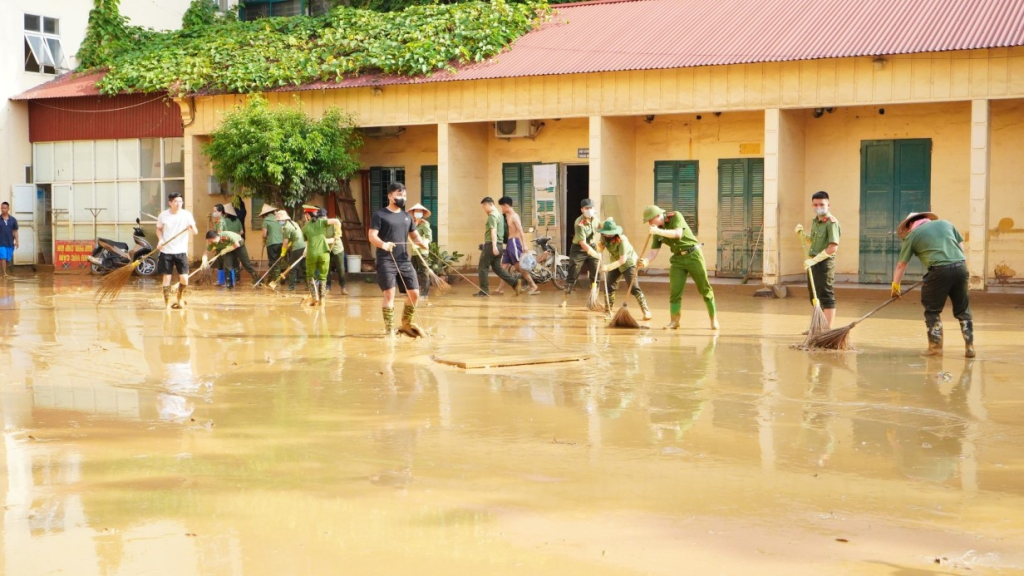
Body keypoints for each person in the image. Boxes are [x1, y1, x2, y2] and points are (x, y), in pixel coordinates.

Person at [891, 212, 974, 358]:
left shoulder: (912, 236)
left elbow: (901, 265)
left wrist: (895, 287)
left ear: (910, 225)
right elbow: (961, 248)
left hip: (939, 272)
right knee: (963, 310)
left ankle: (935, 349)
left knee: (932, 311)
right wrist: (956, 267)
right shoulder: (946, 224)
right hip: (961, 268)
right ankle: (970, 347)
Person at [641, 205, 718, 330]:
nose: (649, 223)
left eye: (650, 220)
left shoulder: (675, 216)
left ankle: (713, 319)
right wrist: (645, 261)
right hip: (677, 259)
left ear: (658, 216)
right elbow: (653, 252)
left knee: (704, 288)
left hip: (693, 255)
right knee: (675, 291)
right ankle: (674, 321)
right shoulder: (656, 231)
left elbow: (678, 234)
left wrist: (658, 232)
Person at [368, 182, 430, 336]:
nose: (402, 197)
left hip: (404, 260)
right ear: (390, 196)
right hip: (386, 260)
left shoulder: (407, 217)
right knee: (389, 294)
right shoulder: (379, 215)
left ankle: (406, 324)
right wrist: (383, 244)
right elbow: (372, 236)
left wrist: (422, 243)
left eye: (404, 195)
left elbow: (415, 236)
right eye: (399, 194)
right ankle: (389, 330)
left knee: (414, 293)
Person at [796, 191, 841, 328]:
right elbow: (814, 240)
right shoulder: (816, 221)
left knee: (826, 295)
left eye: (822, 204)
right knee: (814, 296)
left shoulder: (831, 223)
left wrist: (815, 260)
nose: (818, 207)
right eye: (815, 205)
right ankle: (817, 326)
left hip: (825, 263)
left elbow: (833, 247)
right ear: (812, 205)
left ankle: (827, 330)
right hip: (813, 262)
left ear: (828, 205)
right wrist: (803, 235)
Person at [597, 218, 651, 320]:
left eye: (610, 234)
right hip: (615, 261)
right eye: (606, 234)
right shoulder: (603, 237)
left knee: (634, 287)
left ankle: (646, 310)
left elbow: (623, 260)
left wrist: (608, 267)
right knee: (609, 286)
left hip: (628, 262)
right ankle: (608, 311)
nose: (608, 236)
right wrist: (599, 248)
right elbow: (601, 248)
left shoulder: (622, 240)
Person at [155, 192, 198, 309]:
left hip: (181, 251)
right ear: (170, 203)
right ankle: (167, 303)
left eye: (180, 201)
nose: (178, 204)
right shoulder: (163, 215)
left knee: (184, 278)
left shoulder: (187, 215)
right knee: (167, 278)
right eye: (175, 201)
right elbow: (158, 229)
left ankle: (180, 297)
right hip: (166, 251)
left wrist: (191, 228)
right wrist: (160, 240)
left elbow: (195, 231)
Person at [475, 197, 522, 297]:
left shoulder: (492, 216)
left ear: (488, 204)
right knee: (497, 268)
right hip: (499, 245)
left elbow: (493, 231)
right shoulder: (500, 215)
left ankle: (484, 290)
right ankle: (514, 282)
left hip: (492, 245)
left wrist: (493, 246)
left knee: (483, 267)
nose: (483, 209)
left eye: (484, 206)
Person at [301, 206, 343, 306]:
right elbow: (337, 221)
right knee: (323, 277)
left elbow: (307, 243)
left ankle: (314, 297)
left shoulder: (305, 228)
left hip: (312, 253)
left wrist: (305, 251)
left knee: (310, 275)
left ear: (307, 215)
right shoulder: (322, 222)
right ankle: (322, 299)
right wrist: (338, 234)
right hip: (324, 253)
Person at [561, 198, 600, 306]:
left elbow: (601, 228)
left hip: (592, 245)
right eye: (586, 208)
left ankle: (594, 299)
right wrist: (594, 253)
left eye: (591, 208)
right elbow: (582, 243)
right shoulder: (579, 223)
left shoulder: (595, 219)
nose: (589, 210)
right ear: (582, 210)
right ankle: (565, 298)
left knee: (596, 272)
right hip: (579, 248)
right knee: (573, 272)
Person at [498, 197, 540, 295]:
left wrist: (524, 245)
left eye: (502, 207)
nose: (501, 209)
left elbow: (521, 231)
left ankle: (533, 285)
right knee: (503, 267)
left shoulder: (514, 216)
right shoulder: (508, 216)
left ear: (506, 206)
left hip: (514, 243)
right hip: (509, 243)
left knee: (519, 267)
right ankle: (500, 289)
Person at [407, 203, 433, 301]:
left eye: (420, 211)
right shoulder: (412, 224)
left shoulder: (424, 224)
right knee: (411, 270)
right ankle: (413, 291)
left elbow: (429, 237)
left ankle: (424, 293)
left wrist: (422, 243)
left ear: (423, 213)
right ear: (413, 213)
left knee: (424, 272)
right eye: (416, 211)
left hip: (422, 252)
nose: (418, 213)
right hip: (414, 252)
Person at [276, 210, 306, 290]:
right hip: (303, 246)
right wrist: (290, 244)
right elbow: (295, 236)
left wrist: (283, 252)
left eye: (279, 220)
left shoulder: (287, 227)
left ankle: (291, 287)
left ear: (283, 219)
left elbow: (285, 241)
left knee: (292, 268)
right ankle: (309, 286)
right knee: (304, 267)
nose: (279, 222)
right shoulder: (293, 223)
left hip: (297, 248)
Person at [325, 212, 349, 296]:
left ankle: (343, 287)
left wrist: (324, 240)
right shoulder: (320, 226)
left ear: (326, 217)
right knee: (326, 268)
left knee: (340, 268)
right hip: (326, 248)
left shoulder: (335, 224)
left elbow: (336, 237)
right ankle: (327, 287)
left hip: (337, 248)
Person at [259, 204, 284, 280]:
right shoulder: (279, 219)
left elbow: (264, 234)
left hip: (271, 243)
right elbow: (282, 230)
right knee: (278, 261)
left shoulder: (266, 220)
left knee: (272, 262)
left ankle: (275, 280)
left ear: (265, 214)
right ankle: (273, 279)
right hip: (281, 242)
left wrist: (263, 241)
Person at [0, 202, 19, 278]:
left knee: (8, 259)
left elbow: (15, 231)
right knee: (3, 257)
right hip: (1, 242)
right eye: (2, 208)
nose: (3, 210)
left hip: (10, 242)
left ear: (8, 209)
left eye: (5, 208)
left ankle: (3, 272)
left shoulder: (13, 220)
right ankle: (4, 273)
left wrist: (17, 241)